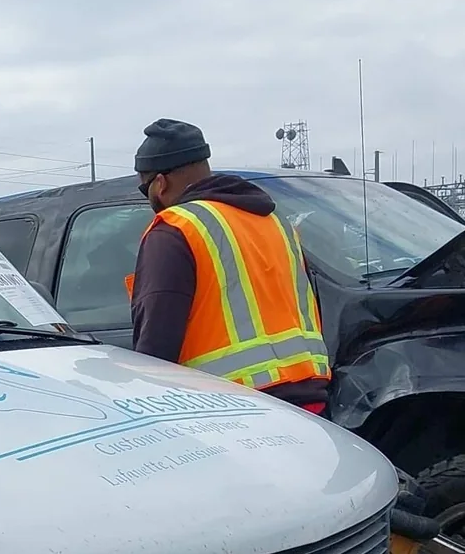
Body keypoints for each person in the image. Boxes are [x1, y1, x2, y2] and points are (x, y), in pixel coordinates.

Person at [128, 119, 332, 414]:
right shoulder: (276, 223)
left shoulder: (175, 229)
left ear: (160, 184)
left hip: (232, 410)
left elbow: (156, 347)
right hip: (310, 402)